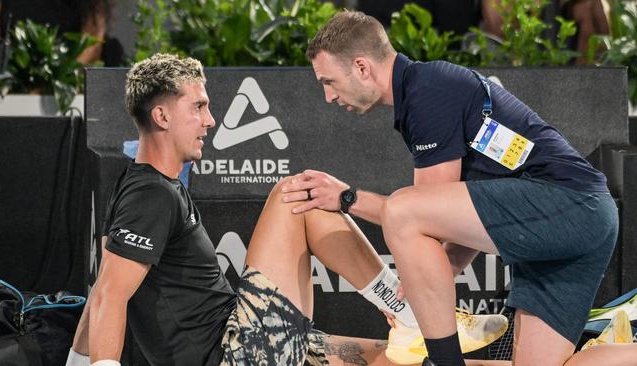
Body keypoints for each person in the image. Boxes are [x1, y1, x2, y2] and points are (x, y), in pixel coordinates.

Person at [65, 53, 508, 366]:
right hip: (239, 353)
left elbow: (101, 288)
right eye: (198, 107)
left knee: (400, 359)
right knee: (297, 196)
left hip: (256, 345)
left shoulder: (141, 185)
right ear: (161, 117)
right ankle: (406, 310)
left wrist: (75, 362)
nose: (210, 120)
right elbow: (109, 295)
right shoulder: (150, 194)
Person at [288, 9, 637, 366]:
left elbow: (418, 215)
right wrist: (422, 292)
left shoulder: (426, 91)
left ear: (362, 67)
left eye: (328, 82)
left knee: (404, 208)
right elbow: (455, 225)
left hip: (571, 207)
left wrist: (347, 198)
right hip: (574, 221)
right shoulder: (426, 90)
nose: (329, 97)